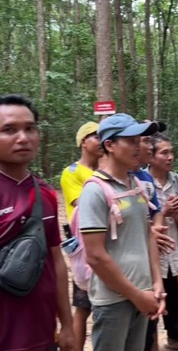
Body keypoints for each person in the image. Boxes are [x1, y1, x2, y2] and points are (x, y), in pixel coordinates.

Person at [78, 113, 166, 351]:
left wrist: (156, 283)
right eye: (131, 141)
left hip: (143, 293)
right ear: (109, 145)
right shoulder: (95, 191)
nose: (140, 147)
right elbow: (95, 256)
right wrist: (137, 295)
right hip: (113, 299)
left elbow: (148, 234)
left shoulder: (137, 186)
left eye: (140, 141)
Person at [0, 94, 74, 351]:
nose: (23, 138)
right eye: (9, 130)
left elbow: (56, 260)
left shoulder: (45, 193)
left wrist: (67, 325)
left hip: (41, 334)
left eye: (30, 128)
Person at [148, 132, 178, 351]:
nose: (170, 157)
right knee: (150, 318)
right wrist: (163, 212)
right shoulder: (141, 182)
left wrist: (176, 214)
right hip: (149, 262)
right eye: (164, 152)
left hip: (174, 261)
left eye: (172, 152)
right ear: (151, 156)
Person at [130, 121, 176, 351]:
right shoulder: (108, 180)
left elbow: (155, 212)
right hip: (126, 272)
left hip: (149, 265)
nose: (150, 146)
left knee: (149, 326)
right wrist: (149, 233)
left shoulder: (145, 179)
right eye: (146, 140)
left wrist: (156, 230)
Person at [60, 121, 104, 351]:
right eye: (95, 136)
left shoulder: (104, 170)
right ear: (83, 142)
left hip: (107, 239)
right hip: (84, 242)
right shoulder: (72, 172)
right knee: (83, 306)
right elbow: (84, 203)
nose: (100, 141)